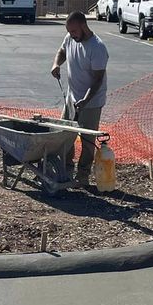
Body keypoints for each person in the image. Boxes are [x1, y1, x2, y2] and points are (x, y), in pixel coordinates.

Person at [50, 11, 108, 184]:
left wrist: (85, 101)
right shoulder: (70, 37)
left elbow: (98, 80)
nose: (72, 35)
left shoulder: (97, 48)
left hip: (92, 101)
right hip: (71, 97)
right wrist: (56, 64)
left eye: (74, 31)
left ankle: (82, 176)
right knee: (65, 135)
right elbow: (62, 51)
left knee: (87, 140)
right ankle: (66, 170)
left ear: (84, 26)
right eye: (70, 31)